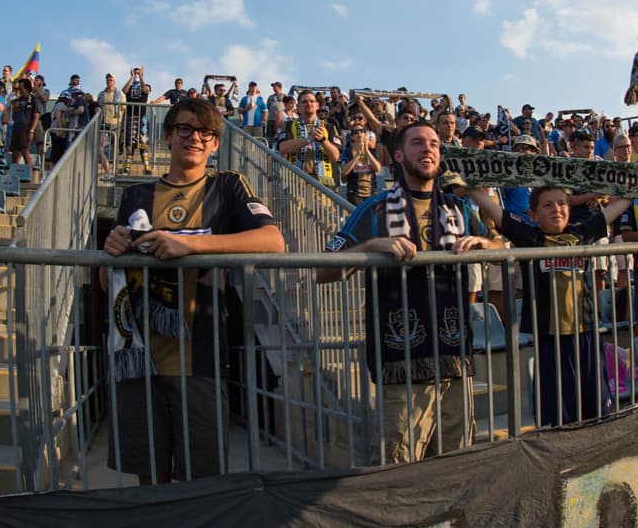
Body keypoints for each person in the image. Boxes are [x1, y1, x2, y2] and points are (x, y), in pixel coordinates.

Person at [102, 98, 283, 483]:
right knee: (150, 477)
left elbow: (273, 240)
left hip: (200, 357)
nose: (196, 138)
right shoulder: (135, 197)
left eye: (206, 132)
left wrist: (192, 245)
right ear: (168, 136)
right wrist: (110, 253)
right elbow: (108, 285)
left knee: (202, 482)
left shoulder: (227, 186)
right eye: (185, 128)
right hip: (137, 359)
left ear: (216, 143)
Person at [317, 121, 502, 463]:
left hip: (455, 360)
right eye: (418, 143)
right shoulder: (374, 209)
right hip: (402, 366)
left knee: (457, 466)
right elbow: (324, 270)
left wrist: (484, 243)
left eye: (434, 143)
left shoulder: (457, 209)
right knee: (399, 470)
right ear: (399, 155)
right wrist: (371, 246)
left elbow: (502, 245)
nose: (428, 148)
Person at [465, 184, 632, 426]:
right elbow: (488, 204)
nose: (557, 209)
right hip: (550, 339)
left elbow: (620, 204)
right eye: (547, 205)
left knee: (595, 407)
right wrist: (469, 185)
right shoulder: (528, 236)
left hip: (586, 335)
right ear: (532, 215)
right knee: (559, 413)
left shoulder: (580, 232)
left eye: (562, 203)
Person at [278, 90, 341, 189]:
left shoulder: (329, 127)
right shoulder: (289, 125)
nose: (309, 103)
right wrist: (308, 140)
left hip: (323, 184)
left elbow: (336, 156)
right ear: (298, 107)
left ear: (317, 105)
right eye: (305, 101)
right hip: (296, 182)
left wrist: (323, 140)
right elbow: (283, 148)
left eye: (312, 101)